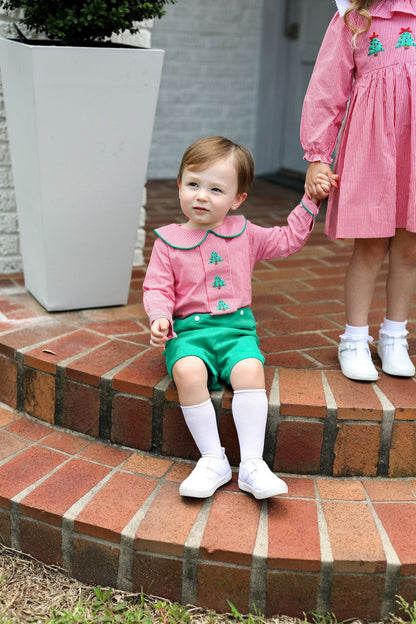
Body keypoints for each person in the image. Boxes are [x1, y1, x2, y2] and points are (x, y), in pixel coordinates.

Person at [143, 136, 331, 499]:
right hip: (189, 333)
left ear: (237, 199)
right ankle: (212, 459)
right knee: (188, 371)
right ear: (180, 184)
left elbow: (289, 238)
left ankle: (252, 464)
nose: (202, 196)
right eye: (194, 184)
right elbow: (157, 288)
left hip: (237, 330)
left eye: (216, 189)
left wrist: (311, 200)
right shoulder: (168, 242)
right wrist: (160, 318)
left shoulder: (245, 234)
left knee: (249, 371)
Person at [301, 0, 416, 382]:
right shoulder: (352, 17)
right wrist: (319, 154)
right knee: (369, 244)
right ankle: (353, 338)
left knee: (410, 246)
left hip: (413, 148)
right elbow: (327, 88)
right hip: (374, 146)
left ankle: (394, 336)